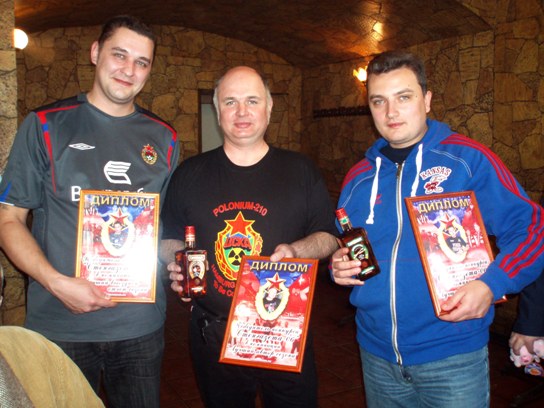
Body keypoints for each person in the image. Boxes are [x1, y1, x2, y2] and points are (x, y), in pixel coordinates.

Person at [330, 50, 544, 408]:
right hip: (376, 354)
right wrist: (340, 267)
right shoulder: (358, 178)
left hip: (453, 357)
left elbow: (533, 228)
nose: (391, 112)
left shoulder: (467, 160)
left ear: (427, 100)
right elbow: (352, 248)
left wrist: (493, 284)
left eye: (403, 97)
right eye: (379, 101)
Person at [0, 15, 179, 408]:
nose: (129, 70)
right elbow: (9, 220)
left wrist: (179, 258)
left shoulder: (164, 138)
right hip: (61, 323)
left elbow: (159, 229)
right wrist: (55, 283)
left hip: (139, 327)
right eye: (120, 55)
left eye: (142, 62)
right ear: (96, 53)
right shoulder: (45, 125)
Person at [160, 66, 338, 408]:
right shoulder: (189, 173)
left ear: (269, 108)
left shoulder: (301, 170)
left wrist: (297, 250)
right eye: (230, 102)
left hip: (284, 328)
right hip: (213, 333)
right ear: (218, 111)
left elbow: (328, 236)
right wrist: (177, 261)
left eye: (252, 101)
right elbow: (167, 237)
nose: (241, 111)